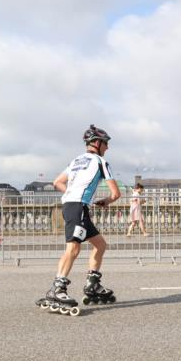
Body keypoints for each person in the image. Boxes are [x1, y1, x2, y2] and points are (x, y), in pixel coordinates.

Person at [36, 124, 121, 309]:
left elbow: (57, 182)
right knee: (73, 249)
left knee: (100, 244)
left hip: (71, 204)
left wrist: (73, 193)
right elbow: (116, 194)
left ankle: (93, 284)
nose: (107, 147)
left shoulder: (76, 161)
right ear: (97, 143)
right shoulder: (101, 162)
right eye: (106, 143)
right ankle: (57, 289)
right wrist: (104, 201)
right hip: (78, 207)